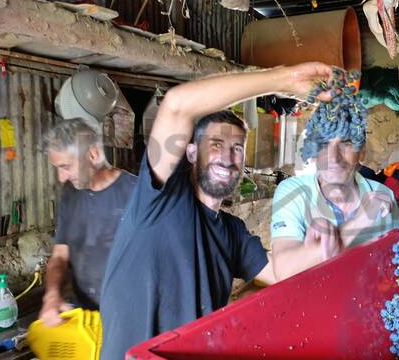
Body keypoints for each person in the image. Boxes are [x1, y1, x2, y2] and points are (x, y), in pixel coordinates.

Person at [99, 62, 334, 359]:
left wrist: (322, 245)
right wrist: (282, 80)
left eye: (237, 149)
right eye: (217, 144)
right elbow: (176, 105)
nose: (227, 157)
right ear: (192, 151)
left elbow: (278, 271)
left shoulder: (232, 231)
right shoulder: (160, 197)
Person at [270, 124, 399, 282]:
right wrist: (358, 222)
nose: (334, 157)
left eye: (347, 143)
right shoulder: (293, 191)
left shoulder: (382, 194)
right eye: (324, 144)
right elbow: (284, 271)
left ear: (362, 151)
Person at [39, 118, 136, 326]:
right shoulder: (70, 195)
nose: (61, 177)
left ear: (93, 154)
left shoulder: (136, 194)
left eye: (65, 167)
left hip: (130, 320)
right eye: (57, 168)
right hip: (87, 319)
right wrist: (52, 294)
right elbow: (60, 256)